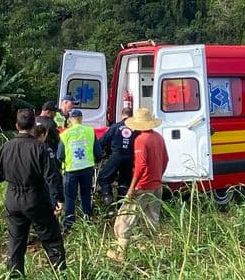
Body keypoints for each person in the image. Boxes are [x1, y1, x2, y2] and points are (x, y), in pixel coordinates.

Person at [0, 108, 66, 280]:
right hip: (36, 198)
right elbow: (52, 177)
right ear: (34, 126)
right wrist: (59, 199)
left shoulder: (5, 147)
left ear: (17, 126)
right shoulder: (40, 148)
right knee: (51, 238)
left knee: (16, 243)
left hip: (13, 199)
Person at [108, 107, 166, 262]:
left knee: (125, 218)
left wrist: (132, 187)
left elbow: (140, 166)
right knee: (151, 219)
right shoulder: (159, 138)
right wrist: (158, 177)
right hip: (157, 186)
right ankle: (149, 253)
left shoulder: (141, 140)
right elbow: (166, 159)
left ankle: (120, 254)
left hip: (143, 186)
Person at [59, 109, 97, 231]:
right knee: (86, 194)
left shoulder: (65, 134)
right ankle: (87, 217)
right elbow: (98, 151)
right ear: (81, 118)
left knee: (70, 196)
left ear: (70, 119)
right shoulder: (90, 131)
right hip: (87, 168)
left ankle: (69, 222)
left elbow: (59, 155)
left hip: (71, 169)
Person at [96, 99, 137, 206]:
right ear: (132, 116)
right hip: (130, 157)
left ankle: (107, 199)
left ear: (122, 115)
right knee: (124, 181)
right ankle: (121, 204)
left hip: (116, 156)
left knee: (104, 178)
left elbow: (102, 141)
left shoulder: (115, 127)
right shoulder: (136, 128)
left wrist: (98, 153)